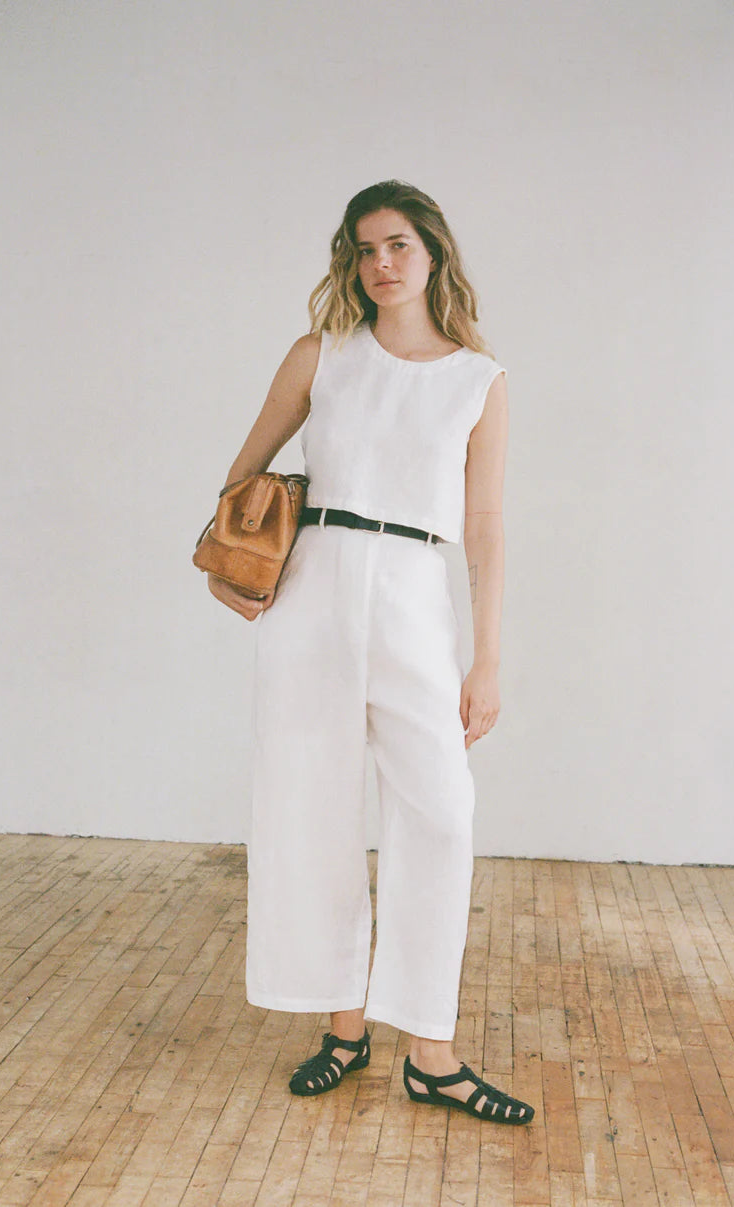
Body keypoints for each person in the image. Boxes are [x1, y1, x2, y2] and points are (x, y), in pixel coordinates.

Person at [208, 180, 534, 1124]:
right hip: (312, 589)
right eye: (364, 249)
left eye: (397, 245)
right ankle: (343, 1027)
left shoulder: (479, 379)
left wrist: (487, 659)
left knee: (441, 811)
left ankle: (431, 1049)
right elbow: (242, 476)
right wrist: (232, 568)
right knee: (310, 806)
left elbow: (485, 527)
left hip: (414, 596)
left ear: (433, 252)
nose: (380, 263)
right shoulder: (321, 354)